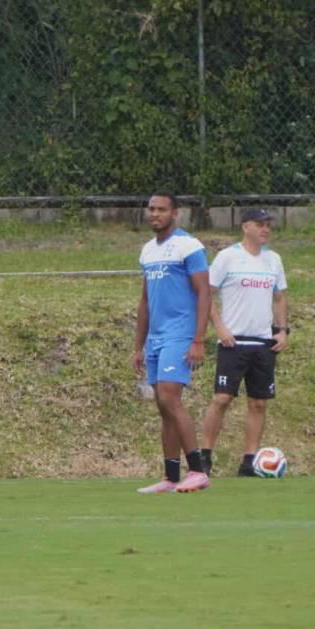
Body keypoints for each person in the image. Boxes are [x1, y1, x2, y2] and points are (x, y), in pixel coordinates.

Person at [198, 208, 289, 477]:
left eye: (268, 225)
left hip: (263, 343)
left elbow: (280, 297)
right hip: (233, 342)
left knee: (258, 403)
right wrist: (220, 328)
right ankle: (204, 458)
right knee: (222, 398)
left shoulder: (273, 260)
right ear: (245, 226)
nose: (266, 229)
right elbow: (207, 294)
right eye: (260, 224)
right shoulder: (228, 257)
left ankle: (249, 461)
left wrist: (282, 330)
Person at [132, 193, 212, 493]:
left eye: (161, 209)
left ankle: (198, 470)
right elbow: (145, 301)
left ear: (174, 213)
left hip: (180, 333)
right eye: (151, 209)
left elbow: (204, 293)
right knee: (162, 405)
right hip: (156, 336)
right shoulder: (148, 251)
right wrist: (138, 346)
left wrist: (198, 339)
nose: (155, 214)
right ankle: (170, 476)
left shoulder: (189, 246)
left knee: (169, 396)